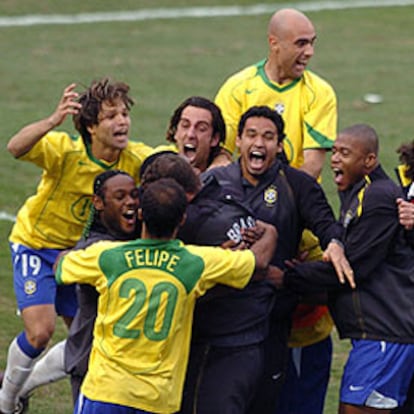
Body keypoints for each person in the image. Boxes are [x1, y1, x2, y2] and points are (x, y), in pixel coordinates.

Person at [177, 106, 351, 414]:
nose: (259, 144)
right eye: (252, 135)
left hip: (271, 323)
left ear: (280, 145)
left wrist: (333, 245)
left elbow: (327, 226)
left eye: (268, 137)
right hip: (215, 322)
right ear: (239, 141)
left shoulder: (297, 185)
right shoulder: (212, 182)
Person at [55, 178, 278, 414]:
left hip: (105, 391)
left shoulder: (107, 256)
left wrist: (74, 257)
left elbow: (60, 268)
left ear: (141, 214)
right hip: (157, 399)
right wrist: (271, 231)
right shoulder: (196, 262)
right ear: (182, 219)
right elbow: (259, 263)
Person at [0, 78, 152, 414]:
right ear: (90, 126)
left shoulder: (135, 158)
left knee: (89, 340)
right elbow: (15, 147)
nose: (122, 121)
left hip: (79, 258)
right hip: (36, 247)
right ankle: (7, 401)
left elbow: (170, 166)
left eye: (125, 113)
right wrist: (52, 120)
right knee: (40, 332)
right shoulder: (65, 151)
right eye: (111, 116)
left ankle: (20, 385)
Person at [214, 9, 338, 413]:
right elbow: (220, 158)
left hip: (298, 232)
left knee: (300, 333)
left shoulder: (319, 93)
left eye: (312, 42)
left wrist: (278, 221)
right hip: (244, 228)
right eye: (301, 43)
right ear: (274, 43)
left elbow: (313, 166)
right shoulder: (238, 87)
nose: (309, 52)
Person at [279, 124, 414, 413]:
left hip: (384, 334)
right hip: (377, 335)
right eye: (335, 151)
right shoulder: (358, 194)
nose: (335, 159)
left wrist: (287, 276)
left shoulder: (378, 197)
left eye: (345, 153)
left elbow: (352, 268)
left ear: (369, 161)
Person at [154, 95, 229, 174]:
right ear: (176, 131)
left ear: (214, 139)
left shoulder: (224, 180)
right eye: (185, 125)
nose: (190, 134)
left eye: (201, 128)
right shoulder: (158, 166)